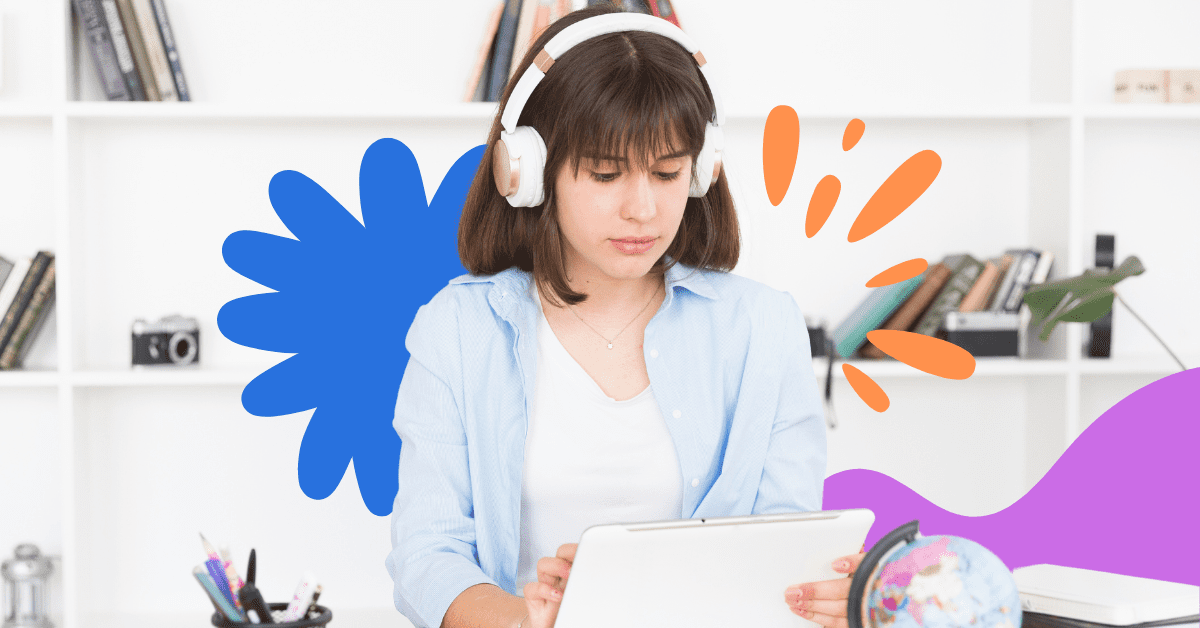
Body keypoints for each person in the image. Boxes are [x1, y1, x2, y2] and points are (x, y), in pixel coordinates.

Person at [385, 4, 864, 628]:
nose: (643, 209)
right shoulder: (458, 329)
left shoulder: (761, 327)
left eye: (667, 173)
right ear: (527, 171)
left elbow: (782, 546)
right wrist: (521, 619)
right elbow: (428, 553)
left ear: (700, 170)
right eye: (606, 174)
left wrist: (826, 590)